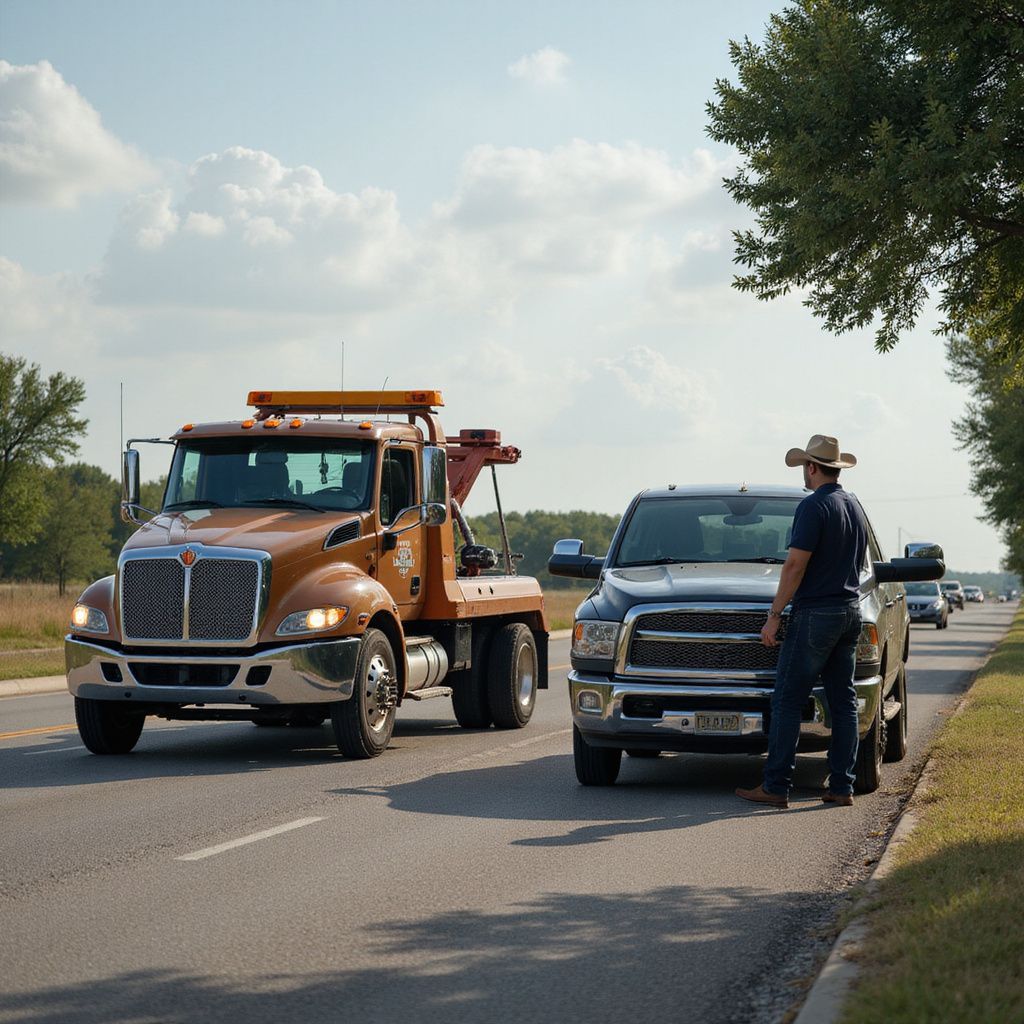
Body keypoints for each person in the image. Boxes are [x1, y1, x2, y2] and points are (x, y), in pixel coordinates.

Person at [736, 434, 867, 809]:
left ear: (812, 467)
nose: (803, 475)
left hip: (816, 615)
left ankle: (776, 786)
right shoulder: (853, 506)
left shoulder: (813, 507)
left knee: (788, 700)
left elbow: (795, 564)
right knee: (844, 702)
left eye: (804, 468)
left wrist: (773, 616)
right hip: (849, 611)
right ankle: (842, 786)